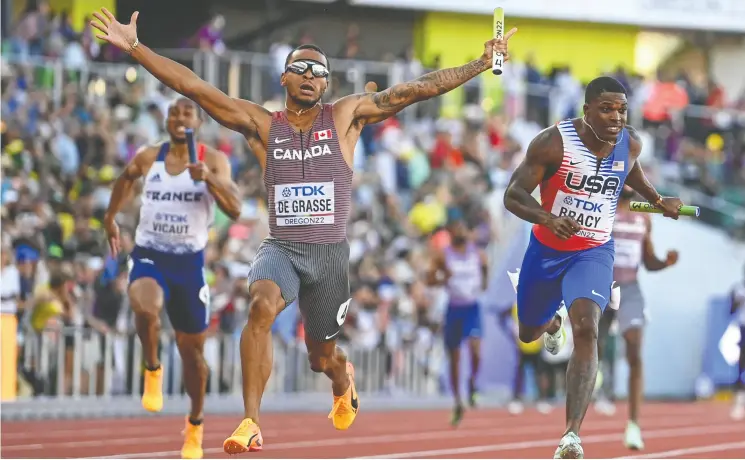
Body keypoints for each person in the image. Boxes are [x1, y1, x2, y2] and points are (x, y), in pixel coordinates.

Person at [90, 7, 517, 454]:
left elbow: (414, 91)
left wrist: (479, 63)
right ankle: (251, 421)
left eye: (319, 71)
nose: (311, 75)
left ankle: (341, 376)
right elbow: (193, 87)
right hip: (281, 248)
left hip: (329, 256)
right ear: (284, 78)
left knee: (321, 357)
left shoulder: (346, 116)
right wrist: (136, 48)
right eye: (301, 68)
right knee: (259, 308)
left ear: (327, 84)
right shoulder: (261, 124)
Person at [503, 76, 684, 459]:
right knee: (528, 332)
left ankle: (571, 435)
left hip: (595, 251)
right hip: (548, 250)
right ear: (586, 111)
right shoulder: (553, 142)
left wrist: (656, 200)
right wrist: (547, 218)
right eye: (606, 108)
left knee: (587, 327)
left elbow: (630, 169)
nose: (616, 116)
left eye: (621, 109)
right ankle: (552, 322)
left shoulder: (630, 141)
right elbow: (513, 195)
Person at [103, 97, 242, 459]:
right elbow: (126, 178)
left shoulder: (214, 160)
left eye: (187, 113)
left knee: (193, 354)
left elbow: (236, 208)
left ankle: (194, 424)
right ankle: (152, 366)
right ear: (166, 121)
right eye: (174, 113)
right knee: (146, 306)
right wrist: (110, 217)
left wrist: (208, 179)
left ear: (198, 120)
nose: (180, 118)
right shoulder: (151, 157)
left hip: (189, 265)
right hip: (151, 253)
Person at [596, 185, 678, 450]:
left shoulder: (644, 218)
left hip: (629, 289)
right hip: (600, 285)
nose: (631, 184)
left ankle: (633, 424)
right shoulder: (603, 211)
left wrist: (665, 263)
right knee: (591, 347)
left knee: (634, 348)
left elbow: (648, 261)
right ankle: (580, 416)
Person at [426, 214, 488, 426]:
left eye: (464, 228)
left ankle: (472, 381)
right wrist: (444, 277)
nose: (461, 232)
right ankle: (457, 400)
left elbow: (486, 269)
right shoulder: (443, 255)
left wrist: (483, 284)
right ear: (451, 232)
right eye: (457, 228)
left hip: (472, 307)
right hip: (454, 308)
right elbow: (429, 278)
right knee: (454, 357)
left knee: (476, 350)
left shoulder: (477, 253)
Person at [729, 267, 745, 421]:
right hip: (743, 329)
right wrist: (736, 302)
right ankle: (739, 403)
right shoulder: (738, 288)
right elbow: (730, 310)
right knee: (742, 367)